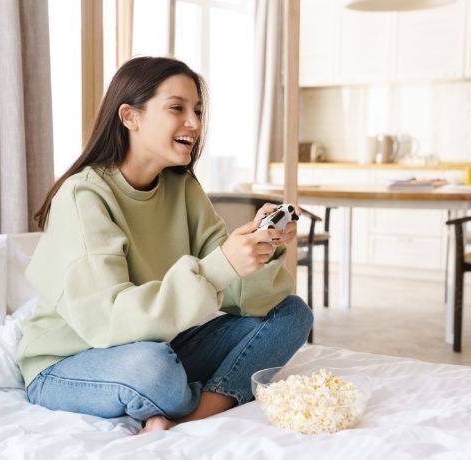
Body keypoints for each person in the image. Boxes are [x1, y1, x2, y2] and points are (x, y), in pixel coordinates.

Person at [17, 56, 313, 434]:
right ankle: (183, 401)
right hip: (69, 363)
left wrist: (259, 247)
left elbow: (242, 297)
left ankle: (194, 414)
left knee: (291, 314)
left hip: (155, 342)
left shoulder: (182, 188)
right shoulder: (84, 196)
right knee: (153, 367)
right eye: (177, 108)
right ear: (130, 116)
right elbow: (107, 322)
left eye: (198, 110)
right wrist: (221, 265)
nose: (194, 123)